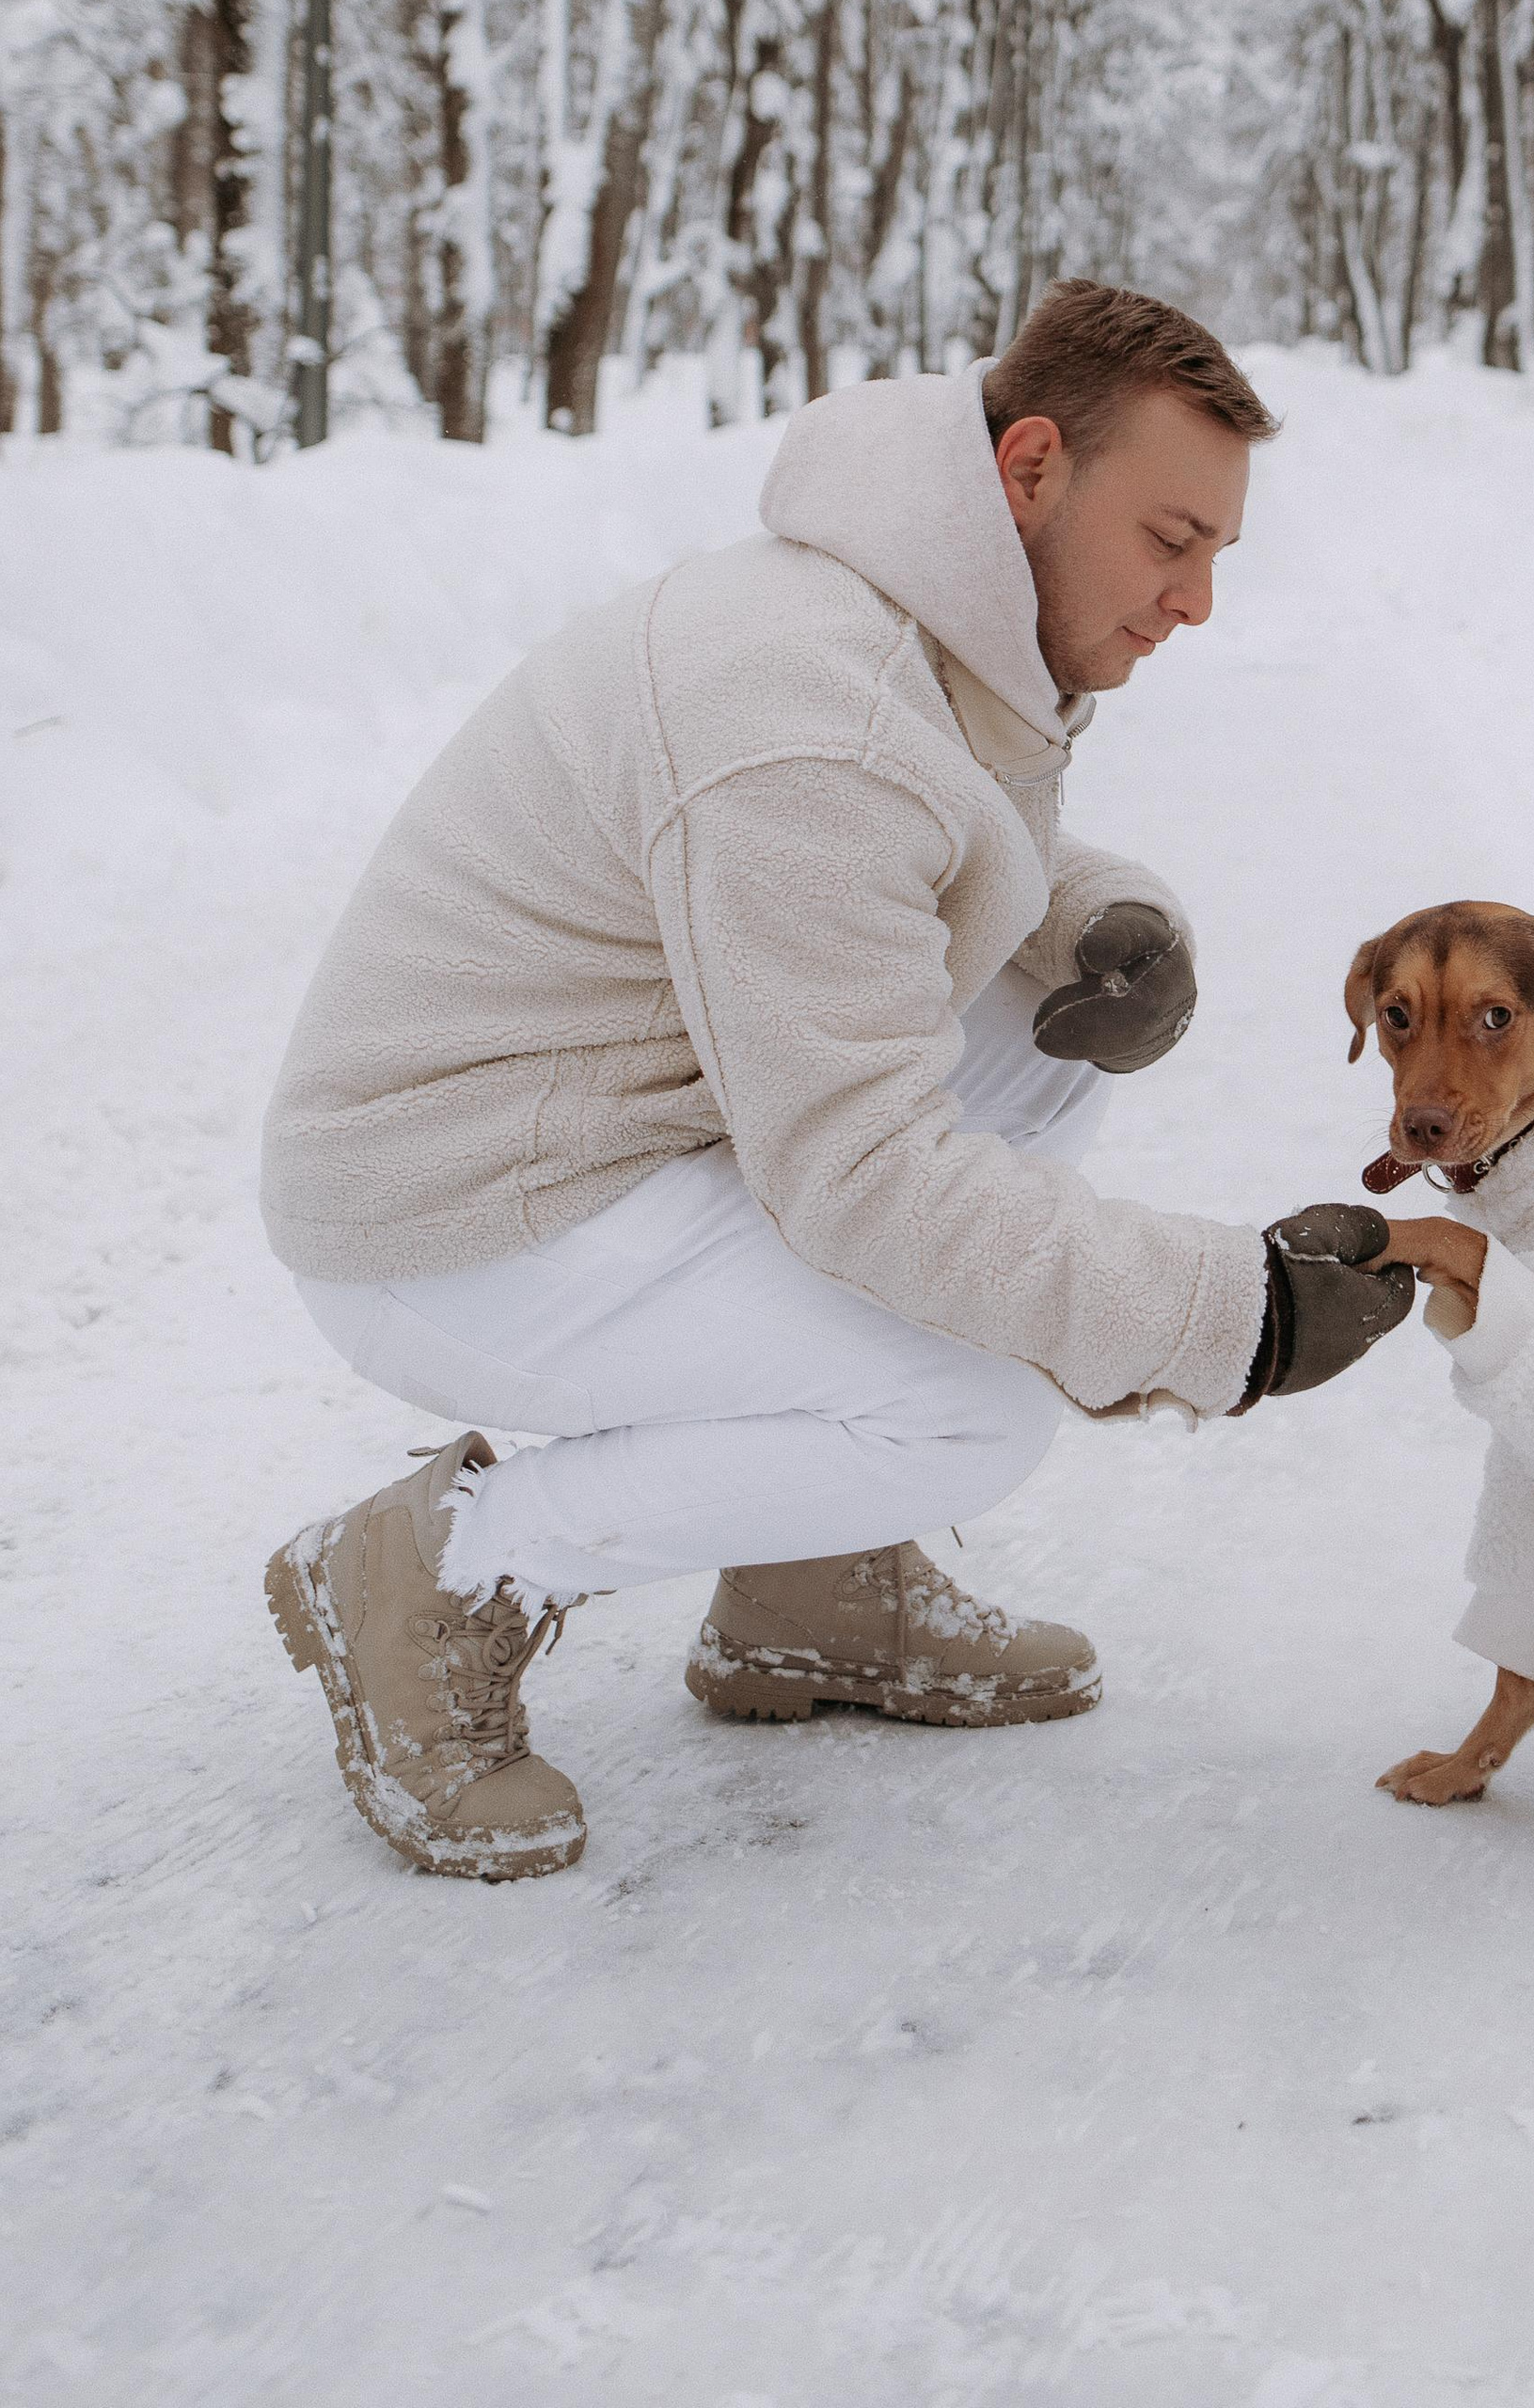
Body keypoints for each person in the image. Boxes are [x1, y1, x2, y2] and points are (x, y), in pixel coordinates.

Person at [261, 281, 1410, 1880]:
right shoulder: (812, 709)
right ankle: (436, 1572)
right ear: (1028, 468)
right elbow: (862, 1165)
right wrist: (1234, 1315)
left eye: (1218, 550)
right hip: (458, 1213)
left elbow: (902, 846)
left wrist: (1089, 918)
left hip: (613, 1115)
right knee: (969, 1411)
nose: (1196, 599)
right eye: (1170, 539)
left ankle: (807, 1582)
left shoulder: (913, 614)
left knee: (1037, 1044)